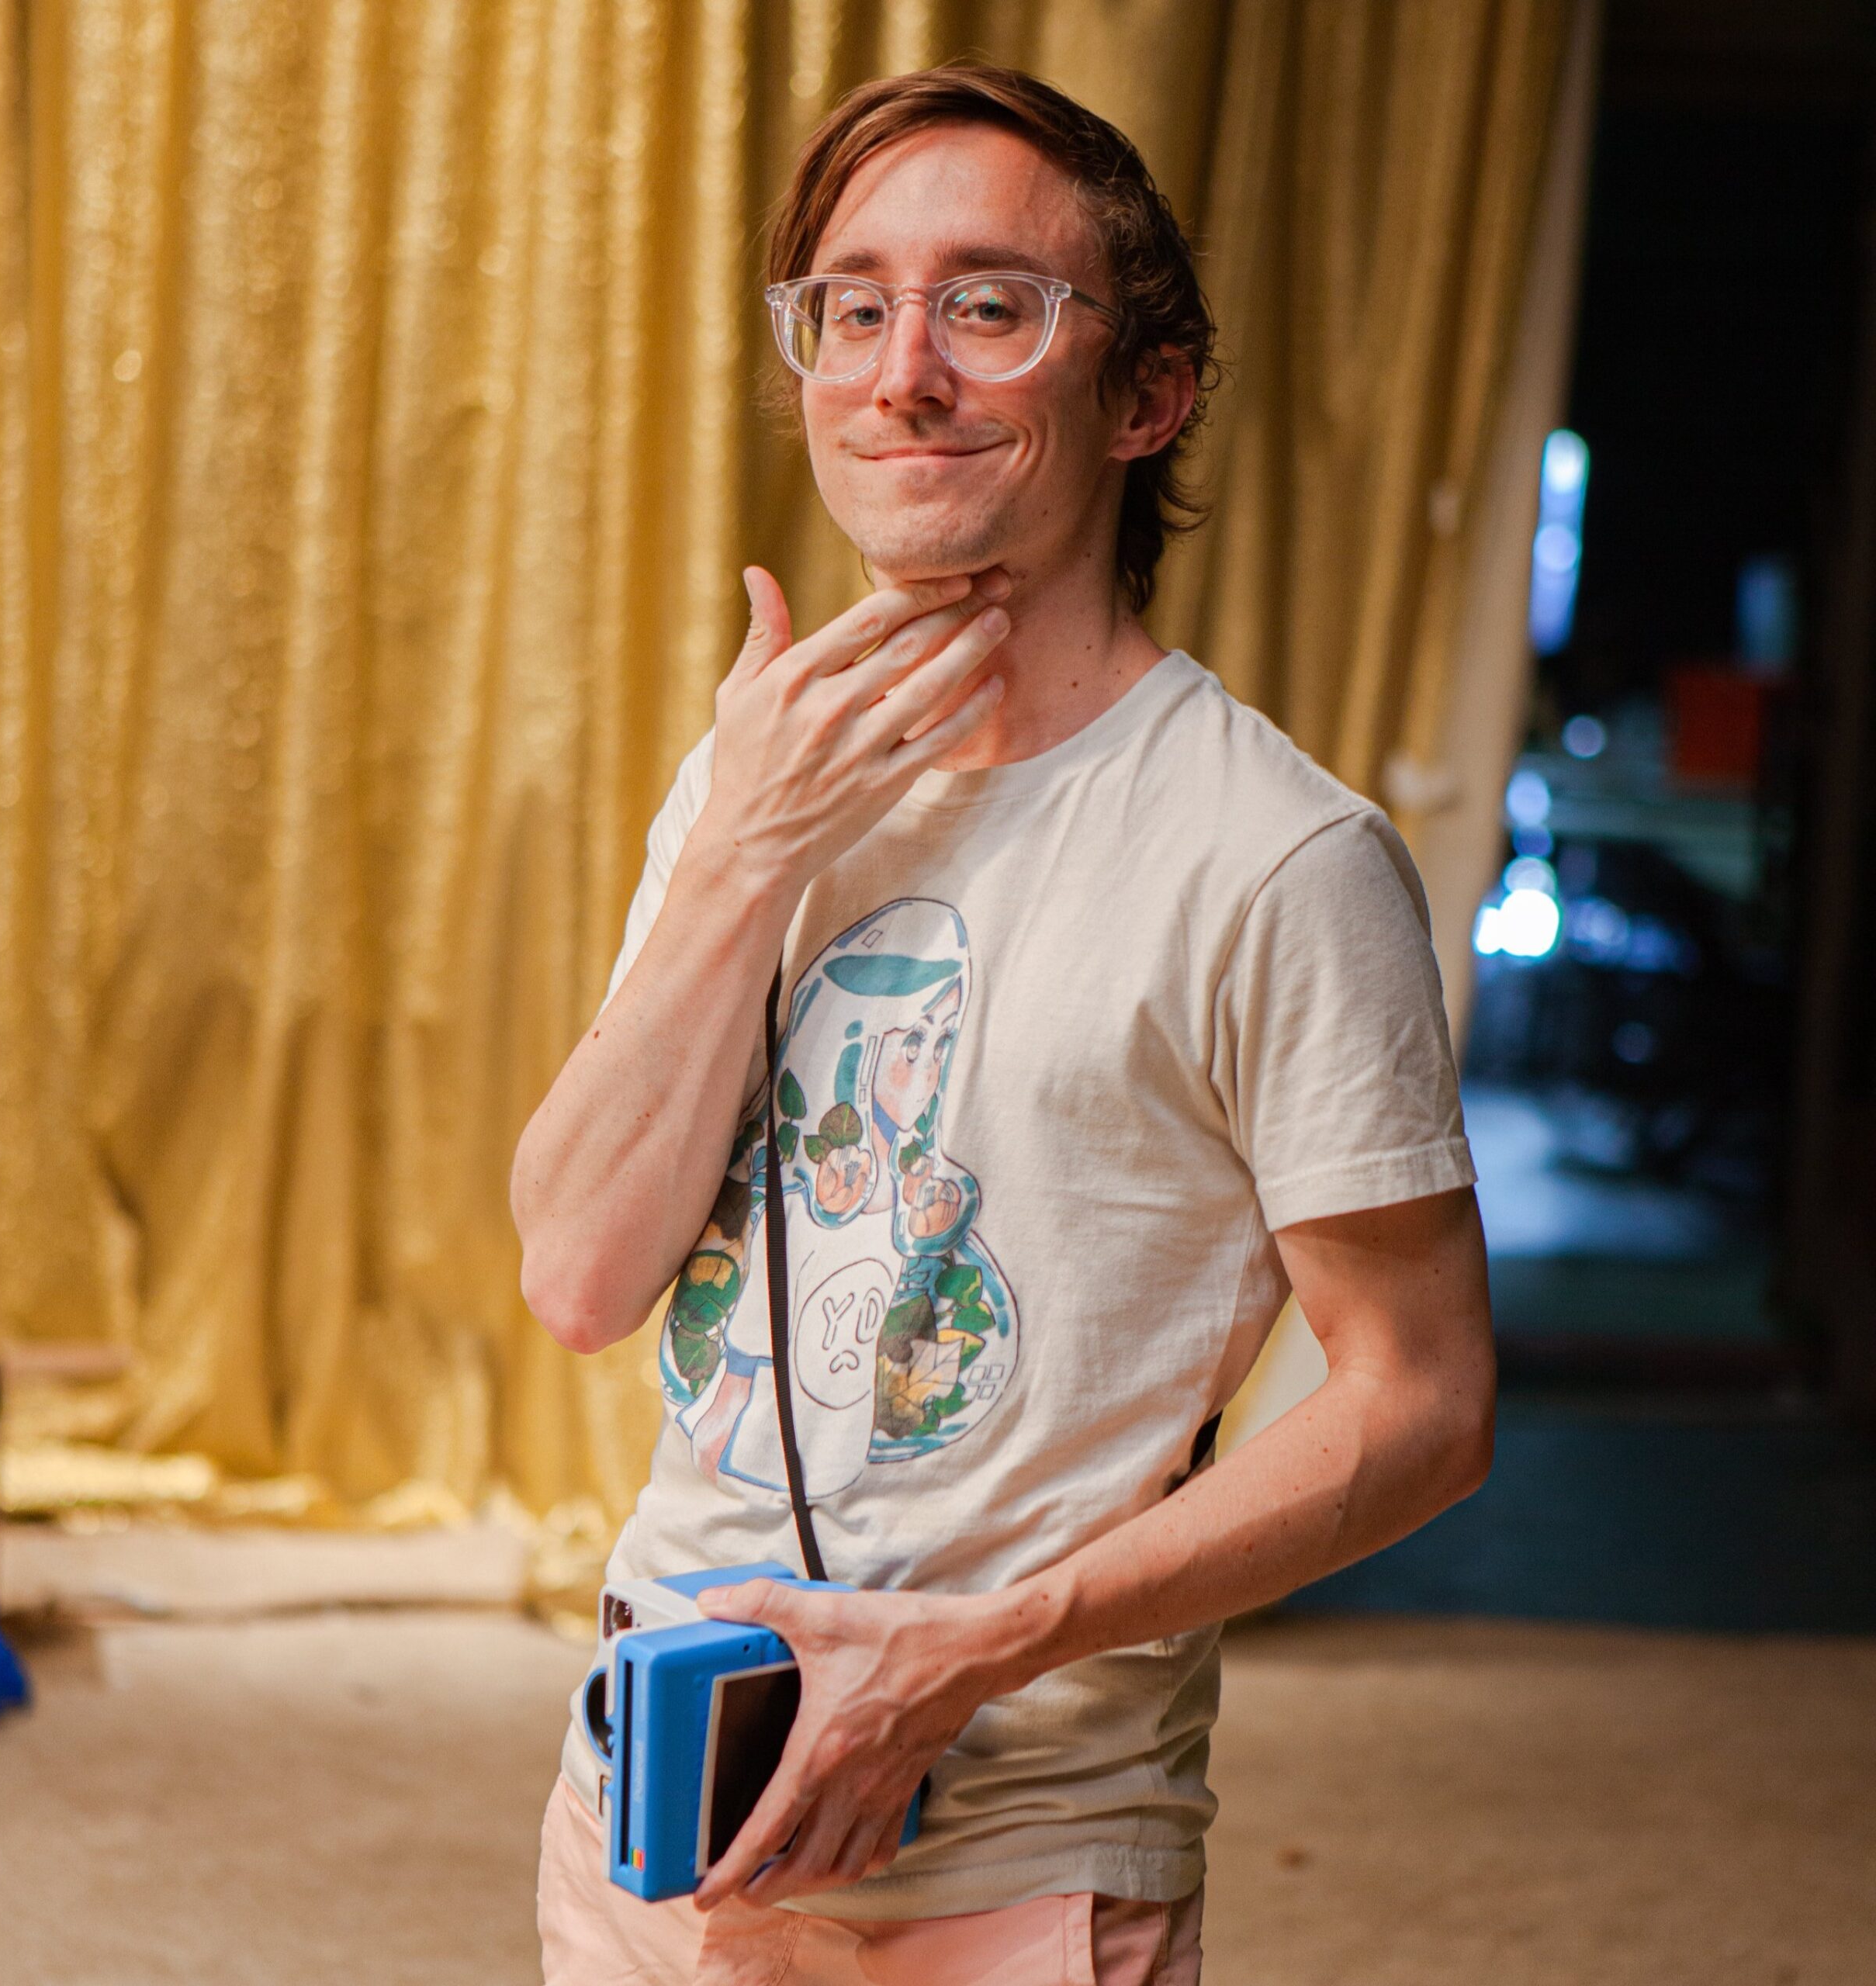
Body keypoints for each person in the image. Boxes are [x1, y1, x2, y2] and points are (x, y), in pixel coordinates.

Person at [512, 60, 1495, 1986]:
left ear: (1145, 395)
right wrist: (740, 847)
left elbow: (1422, 1399)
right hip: (649, 1807)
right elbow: (577, 1272)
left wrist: (970, 1647)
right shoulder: (754, 779)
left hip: (1013, 1848)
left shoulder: (1275, 856)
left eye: (986, 305)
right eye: (849, 308)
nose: (901, 374)